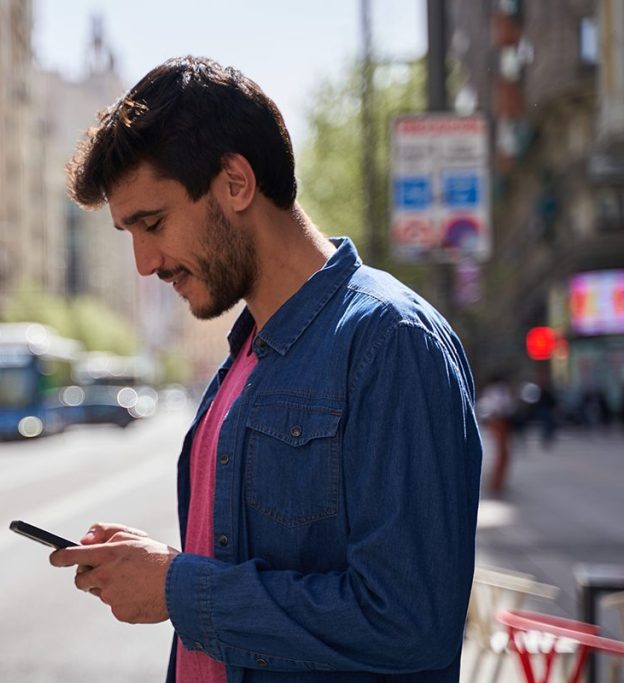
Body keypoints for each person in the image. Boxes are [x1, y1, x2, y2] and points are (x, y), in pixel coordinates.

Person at [49, 56, 483, 682]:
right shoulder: (243, 356)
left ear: (236, 183)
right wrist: (163, 567)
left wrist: (176, 587)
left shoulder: (390, 341)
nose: (145, 262)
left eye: (154, 223)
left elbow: (409, 622)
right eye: (129, 234)